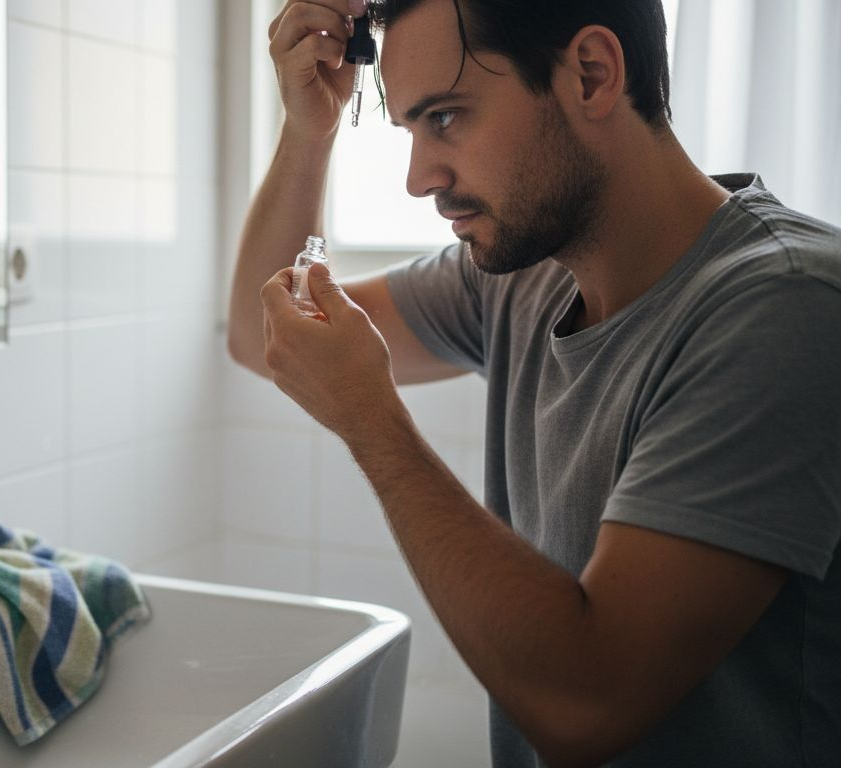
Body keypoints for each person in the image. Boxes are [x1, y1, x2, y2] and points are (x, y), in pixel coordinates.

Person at [228, 0, 841, 765]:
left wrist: (371, 419)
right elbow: (265, 333)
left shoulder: (791, 306)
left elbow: (588, 705)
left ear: (591, 73)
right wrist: (309, 130)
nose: (420, 178)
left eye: (446, 118)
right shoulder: (524, 278)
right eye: (410, 130)